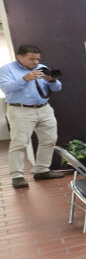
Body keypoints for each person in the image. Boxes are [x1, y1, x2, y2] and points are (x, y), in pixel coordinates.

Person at [0, 45, 68, 189]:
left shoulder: (42, 67)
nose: (36, 62)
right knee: (19, 143)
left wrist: (51, 80)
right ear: (19, 57)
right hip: (20, 110)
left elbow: (58, 88)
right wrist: (25, 79)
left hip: (44, 109)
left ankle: (42, 170)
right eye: (32, 59)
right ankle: (17, 176)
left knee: (49, 140)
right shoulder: (6, 70)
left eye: (38, 58)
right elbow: (7, 89)